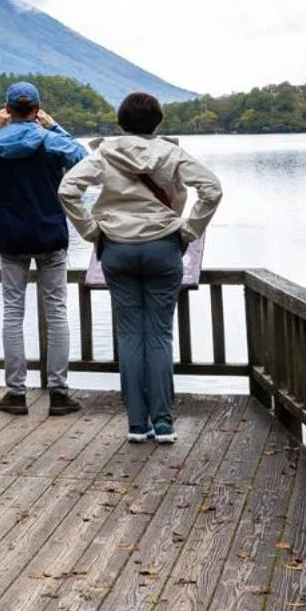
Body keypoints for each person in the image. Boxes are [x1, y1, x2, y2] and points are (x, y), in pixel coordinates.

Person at [58, 91, 222, 445]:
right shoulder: (172, 153)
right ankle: (163, 423)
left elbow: (68, 188)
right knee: (160, 336)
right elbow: (211, 189)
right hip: (164, 248)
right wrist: (189, 231)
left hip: (117, 250)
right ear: (158, 122)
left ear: (121, 122)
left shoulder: (104, 153)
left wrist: (91, 231)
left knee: (130, 336)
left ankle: (136, 424)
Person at [0, 80, 87, 416]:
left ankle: (16, 394)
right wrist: (54, 125)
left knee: (13, 314)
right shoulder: (51, 140)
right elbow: (84, 158)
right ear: (36, 110)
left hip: (11, 236)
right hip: (50, 234)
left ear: (7, 110)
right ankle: (59, 393)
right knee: (57, 313)